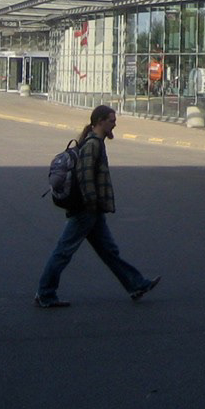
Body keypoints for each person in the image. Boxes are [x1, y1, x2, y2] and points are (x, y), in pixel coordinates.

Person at [35, 105, 161, 308]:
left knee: (109, 251)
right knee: (64, 251)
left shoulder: (95, 142)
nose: (115, 124)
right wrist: (92, 203)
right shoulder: (93, 144)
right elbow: (85, 176)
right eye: (112, 120)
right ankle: (45, 293)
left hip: (92, 210)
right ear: (100, 122)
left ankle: (136, 284)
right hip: (87, 210)